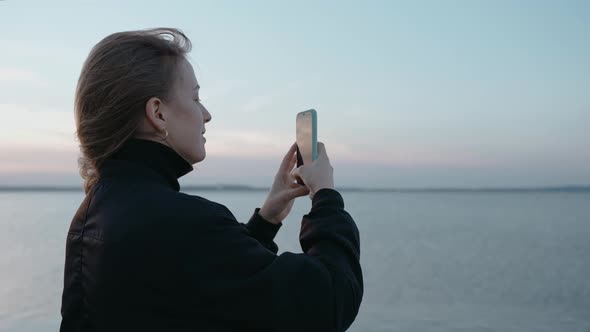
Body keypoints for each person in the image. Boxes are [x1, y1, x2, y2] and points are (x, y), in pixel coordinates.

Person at [60, 27, 363, 332]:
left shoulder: (90, 216)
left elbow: (196, 283)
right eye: (195, 98)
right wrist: (326, 198)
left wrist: (267, 220)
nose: (206, 114)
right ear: (158, 113)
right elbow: (328, 301)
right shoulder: (182, 222)